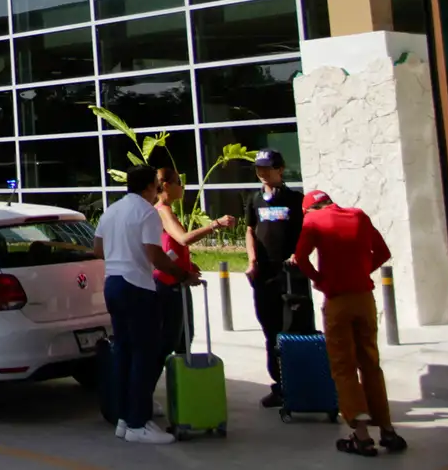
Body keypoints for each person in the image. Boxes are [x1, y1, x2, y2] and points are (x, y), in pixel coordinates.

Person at [294, 191, 407, 457]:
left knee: (344, 367)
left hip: (338, 301)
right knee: (370, 363)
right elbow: (382, 252)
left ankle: (362, 437)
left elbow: (300, 258)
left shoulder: (312, 221)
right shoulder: (358, 216)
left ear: (308, 209)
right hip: (364, 299)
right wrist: (359, 271)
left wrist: (320, 280)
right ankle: (388, 431)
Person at [94, 165, 200, 445]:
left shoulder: (112, 211)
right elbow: (156, 256)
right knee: (144, 354)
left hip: (112, 284)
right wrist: (184, 274)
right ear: (149, 187)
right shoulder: (146, 212)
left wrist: (122, 252)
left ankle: (123, 419)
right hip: (137, 287)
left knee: (124, 353)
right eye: (157, 185)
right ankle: (138, 423)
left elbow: (98, 250)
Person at [245, 147, 315, 407]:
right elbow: (250, 230)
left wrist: (299, 255)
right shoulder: (254, 200)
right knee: (271, 330)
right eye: (259, 169)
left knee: (298, 327)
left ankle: (304, 385)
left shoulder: (296, 199)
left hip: (291, 273)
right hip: (264, 274)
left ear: (280, 170)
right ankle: (279, 386)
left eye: (268, 168)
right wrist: (251, 260)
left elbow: (307, 232)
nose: (262, 173)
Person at [154, 166, 234, 360]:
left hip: (176, 280)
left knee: (183, 337)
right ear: (166, 185)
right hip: (168, 283)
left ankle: (181, 382)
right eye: (179, 183)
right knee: (173, 339)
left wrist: (188, 264)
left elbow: (168, 247)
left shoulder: (166, 211)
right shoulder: (163, 211)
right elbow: (183, 239)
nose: (183, 188)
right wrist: (215, 225)